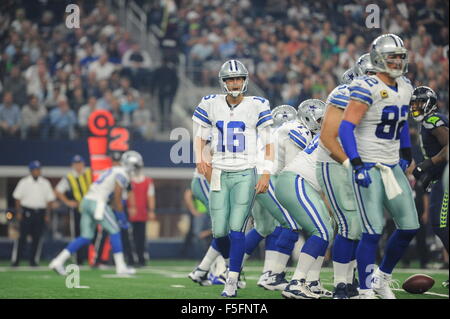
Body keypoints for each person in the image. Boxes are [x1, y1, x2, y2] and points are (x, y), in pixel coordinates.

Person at [338, 34, 419, 299]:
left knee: (409, 227)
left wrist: (406, 151)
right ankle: (364, 291)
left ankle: (381, 278)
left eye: (399, 56)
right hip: (369, 166)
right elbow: (346, 127)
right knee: (372, 231)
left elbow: (403, 122)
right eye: (390, 56)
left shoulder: (406, 86)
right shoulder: (366, 86)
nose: (396, 61)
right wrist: (357, 163)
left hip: (392, 165)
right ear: (377, 58)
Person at [192, 59, 273, 297]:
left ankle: (232, 279)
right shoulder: (211, 103)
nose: (235, 83)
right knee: (219, 232)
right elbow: (200, 137)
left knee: (237, 229)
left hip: (245, 171)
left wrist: (265, 172)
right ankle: (227, 269)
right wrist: (200, 158)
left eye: (238, 79)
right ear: (223, 82)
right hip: (218, 171)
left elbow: (269, 143)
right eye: (230, 79)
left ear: (245, 80)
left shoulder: (257, 104)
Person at [315, 53, 376, 299]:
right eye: (371, 73)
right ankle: (341, 285)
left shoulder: (383, 98)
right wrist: (353, 163)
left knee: (360, 227)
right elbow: (328, 138)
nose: (376, 79)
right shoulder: (344, 93)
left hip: (358, 165)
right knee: (348, 224)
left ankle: (351, 283)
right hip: (335, 163)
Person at [275, 99, 334, 299]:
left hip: (302, 183)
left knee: (327, 229)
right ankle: (296, 283)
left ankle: (312, 282)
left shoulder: (333, 130)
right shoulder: (340, 132)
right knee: (322, 231)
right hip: (296, 180)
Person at [49, 151, 142, 275]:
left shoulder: (112, 170)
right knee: (115, 230)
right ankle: (121, 267)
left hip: (86, 201)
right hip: (98, 203)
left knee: (85, 236)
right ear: (131, 165)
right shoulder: (122, 173)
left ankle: (58, 261)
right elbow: (118, 196)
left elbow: (113, 195)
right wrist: (121, 217)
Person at [409, 86, 448, 286]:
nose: (415, 107)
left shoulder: (433, 121)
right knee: (440, 225)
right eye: (413, 104)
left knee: (441, 225)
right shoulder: (426, 123)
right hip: (440, 178)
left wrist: (429, 164)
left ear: (430, 103)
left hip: (446, 178)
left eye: (419, 103)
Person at [12, 161, 56, 266]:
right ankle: (16, 260)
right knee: (22, 237)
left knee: (37, 238)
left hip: (40, 212)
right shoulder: (24, 182)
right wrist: (18, 212)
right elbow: (17, 198)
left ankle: (33, 261)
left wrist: (47, 214)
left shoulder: (45, 183)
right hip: (27, 212)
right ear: (31, 171)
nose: (37, 171)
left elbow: (49, 200)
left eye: (38, 169)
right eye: (35, 170)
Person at [54, 155, 93, 265]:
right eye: (76, 164)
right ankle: (79, 259)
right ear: (72, 165)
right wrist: (67, 202)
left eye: (80, 163)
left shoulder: (90, 173)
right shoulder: (69, 177)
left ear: (83, 164)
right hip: (78, 210)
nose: (78, 166)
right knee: (78, 234)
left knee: (93, 234)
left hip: (92, 210)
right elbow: (58, 191)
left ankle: (93, 258)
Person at [127, 158, 156, 267]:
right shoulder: (129, 180)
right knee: (130, 237)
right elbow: (130, 195)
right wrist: (132, 207)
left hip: (142, 213)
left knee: (141, 237)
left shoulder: (147, 181)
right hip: (130, 213)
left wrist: (151, 210)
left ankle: (141, 259)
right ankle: (131, 259)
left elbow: (151, 196)